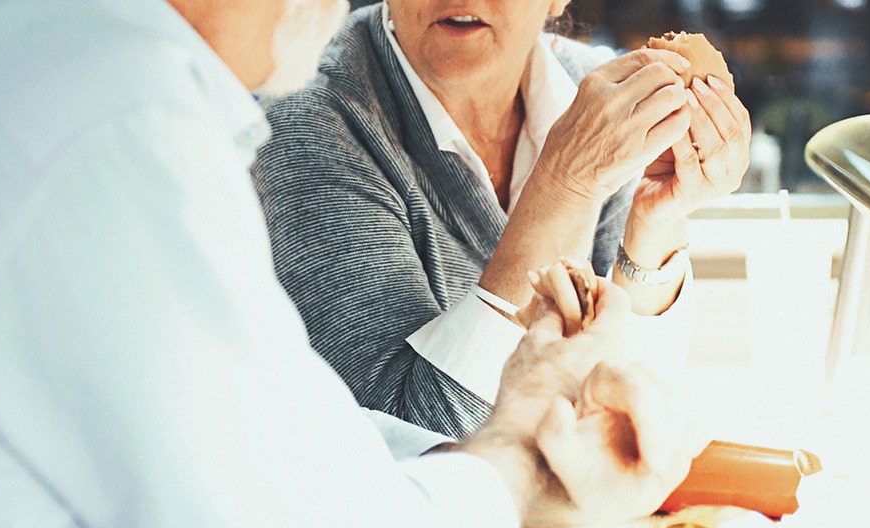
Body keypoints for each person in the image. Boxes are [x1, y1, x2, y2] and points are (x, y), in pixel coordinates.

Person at [0, 0, 706, 528]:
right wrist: (517, 452)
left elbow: (277, 435)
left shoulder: (37, 72)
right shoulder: (110, 126)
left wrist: (523, 468)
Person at [251, 1, 752, 439]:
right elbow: (407, 441)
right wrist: (562, 184)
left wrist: (653, 225)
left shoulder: (592, 92)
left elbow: (630, 408)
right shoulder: (310, 118)